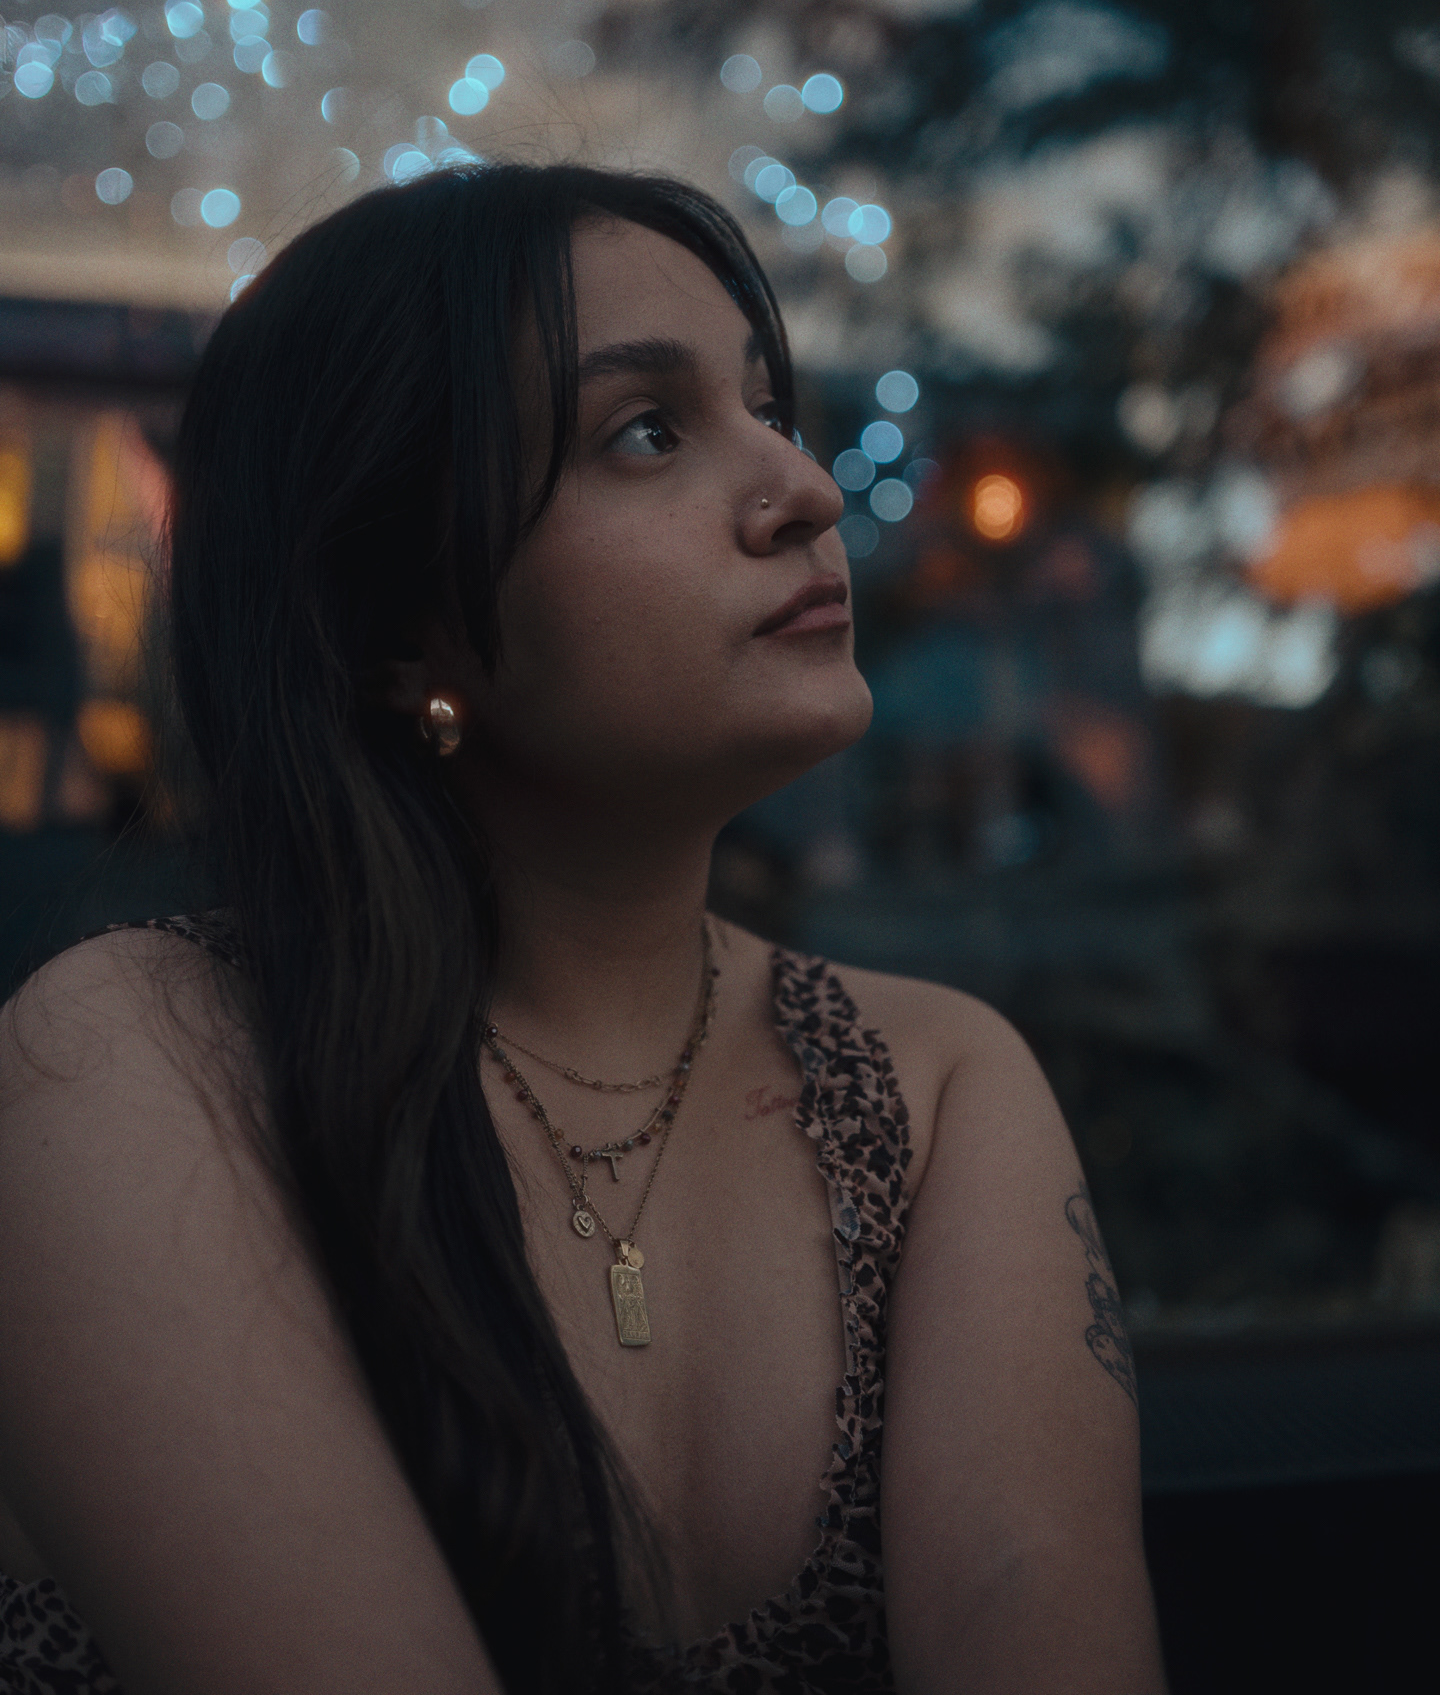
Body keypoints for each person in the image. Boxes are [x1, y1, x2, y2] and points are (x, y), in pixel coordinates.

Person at [0, 164, 1166, 1695]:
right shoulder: (139, 1061)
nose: (805, 490)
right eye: (645, 433)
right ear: (397, 617)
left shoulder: (936, 1087)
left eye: (767, 406)